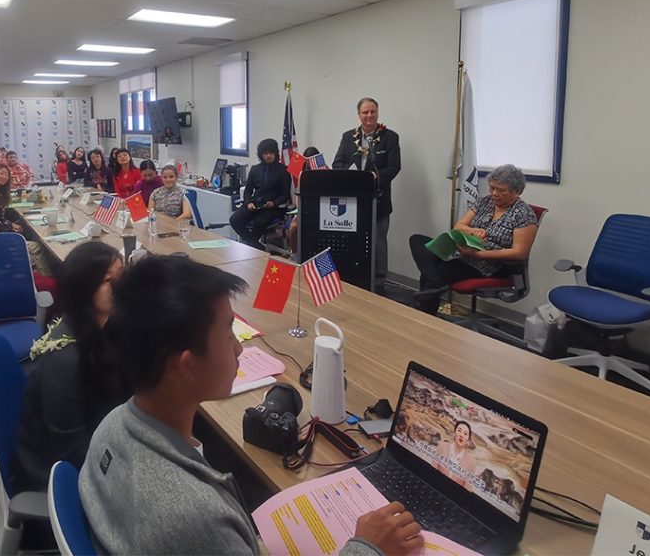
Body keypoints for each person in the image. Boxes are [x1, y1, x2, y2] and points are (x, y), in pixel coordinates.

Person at [79, 256, 425, 555]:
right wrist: (368, 548)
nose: (238, 348)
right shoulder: (196, 519)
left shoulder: (113, 425)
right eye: (228, 332)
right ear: (187, 365)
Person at [12, 242, 130, 494]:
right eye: (109, 280)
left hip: (101, 433)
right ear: (84, 289)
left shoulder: (98, 325)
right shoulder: (66, 361)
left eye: (122, 275)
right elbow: (69, 450)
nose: (121, 286)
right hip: (61, 472)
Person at [408, 164, 539, 314]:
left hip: (491, 265)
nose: (494, 193)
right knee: (417, 241)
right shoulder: (484, 202)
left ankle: (425, 313)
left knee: (437, 270)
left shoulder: (523, 215)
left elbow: (519, 253)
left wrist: (479, 255)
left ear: (517, 191)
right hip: (464, 252)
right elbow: (459, 227)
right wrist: (473, 231)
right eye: (492, 188)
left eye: (500, 190)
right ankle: (433, 286)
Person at [332, 98, 402, 293]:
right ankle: (356, 276)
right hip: (353, 202)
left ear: (377, 113)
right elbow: (337, 164)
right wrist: (351, 175)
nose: (369, 115)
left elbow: (394, 167)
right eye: (365, 112)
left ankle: (379, 281)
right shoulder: (348, 137)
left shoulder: (389, 137)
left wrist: (375, 176)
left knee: (378, 241)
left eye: (372, 111)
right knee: (354, 240)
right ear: (359, 115)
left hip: (378, 199)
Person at [229, 138, 291, 250]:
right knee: (235, 219)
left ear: (275, 153)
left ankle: (250, 245)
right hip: (255, 204)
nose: (268, 156)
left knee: (259, 223)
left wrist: (274, 203)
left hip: (273, 208)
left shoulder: (284, 171)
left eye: (271, 153)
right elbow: (248, 191)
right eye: (265, 153)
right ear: (261, 155)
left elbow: (285, 194)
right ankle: (256, 246)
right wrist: (248, 203)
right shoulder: (255, 169)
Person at [286, 146, 322, 251]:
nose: (310, 165)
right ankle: (294, 252)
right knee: (294, 227)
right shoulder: (302, 173)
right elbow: (297, 193)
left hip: (319, 209)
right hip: (303, 209)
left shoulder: (323, 172)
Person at [435, 421, 478, 489]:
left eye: (465, 434)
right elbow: (432, 469)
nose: (461, 435)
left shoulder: (471, 461)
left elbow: (468, 488)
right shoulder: (442, 446)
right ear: (454, 433)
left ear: (468, 440)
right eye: (459, 430)